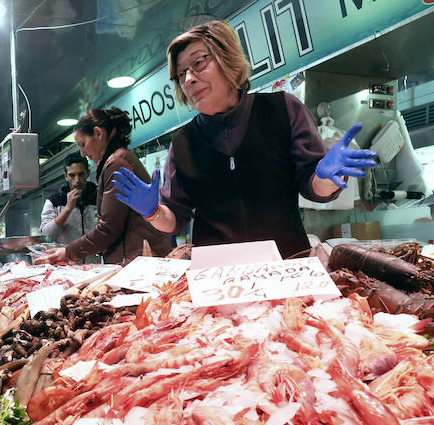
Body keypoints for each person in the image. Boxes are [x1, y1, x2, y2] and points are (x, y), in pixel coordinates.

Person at [111, 20, 377, 259]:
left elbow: (313, 187)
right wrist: (152, 211)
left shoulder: (283, 109)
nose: (189, 79)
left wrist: (326, 179)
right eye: (181, 74)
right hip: (216, 281)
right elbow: (175, 218)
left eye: (198, 64)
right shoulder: (183, 142)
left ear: (227, 58)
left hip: (286, 267)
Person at [37, 108, 171, 265]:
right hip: (138, 259)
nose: (83, 153)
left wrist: (67, 252)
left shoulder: (116, 163)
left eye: (83, 144)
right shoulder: (119, 159)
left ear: (98, 133)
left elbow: (108, 229)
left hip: (139, 262)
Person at [40, 152, 98, 245]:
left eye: (81, 174)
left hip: (94, 258)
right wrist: (68, 209)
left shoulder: (99, 198)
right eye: (72, 175)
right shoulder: (54, 201)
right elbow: (46, 233)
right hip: (65, 258)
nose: (77, 180)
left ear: (88, 173)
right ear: (66, 176)